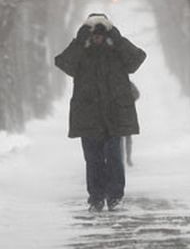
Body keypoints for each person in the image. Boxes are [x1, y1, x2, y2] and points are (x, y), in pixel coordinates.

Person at [55, 13, 146, 212]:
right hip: (88, 116)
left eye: (101, 32)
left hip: (113, 115)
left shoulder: (117, 52)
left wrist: (117, 37)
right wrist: (80, 38)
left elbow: (137, 59)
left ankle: (115, 197)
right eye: (92, 32)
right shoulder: (82, 53)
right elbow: (63, 63)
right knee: (93, 159)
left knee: (114, 158)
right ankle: (96, 198)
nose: (97, 36)